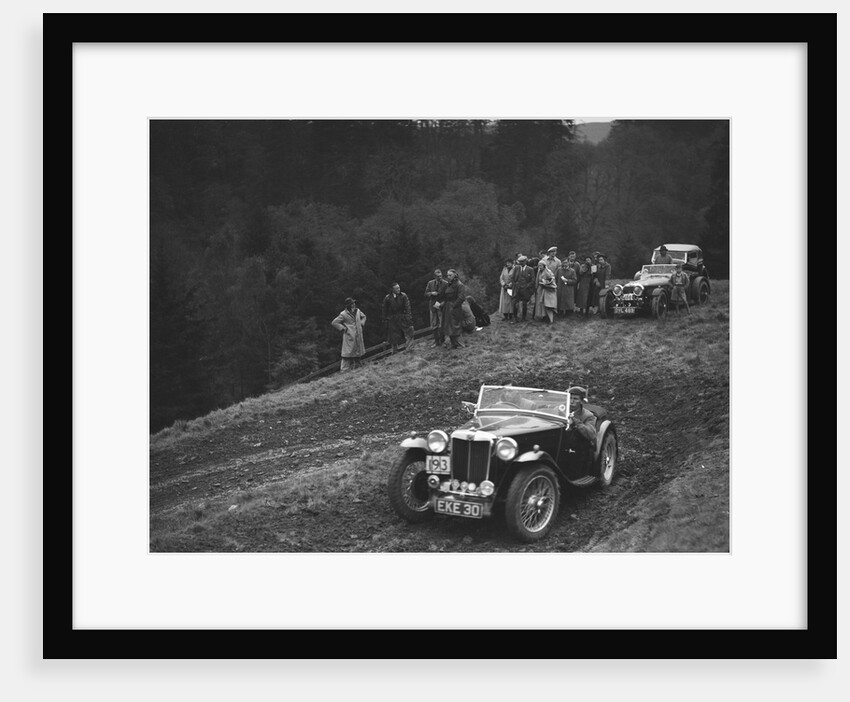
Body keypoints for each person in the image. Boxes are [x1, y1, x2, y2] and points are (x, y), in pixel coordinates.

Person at [331, 297, 367, 371]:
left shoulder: (357, 311)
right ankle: (344, 370)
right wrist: (343, 328)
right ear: (348, 305)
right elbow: (334, 322)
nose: (354, 305)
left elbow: (364, 317)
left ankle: (358, 368)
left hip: (358, 335)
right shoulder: (343, 314)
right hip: (349, 336)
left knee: (358, 352)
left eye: (354, 303)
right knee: (347, 354)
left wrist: (361, 323)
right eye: (352, 304)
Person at [439, 269, 468, 349]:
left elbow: (461, 297)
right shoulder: (449, 284)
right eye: (447, 275)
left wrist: (454, 306)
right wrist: (443, 303)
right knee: (448, 326)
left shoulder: (459, 285)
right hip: (447, 307)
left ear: (455, 275)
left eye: (450, 275)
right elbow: (445, 296)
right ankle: (453, 344)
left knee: (455, 326)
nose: (448, 277)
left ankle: (460, 344)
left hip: (455, 307)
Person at [381, 282, 414, 353]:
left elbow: (407, 307)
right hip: (393, 318)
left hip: (403, 316)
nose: (399, 289)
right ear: (392, 290)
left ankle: (409, 349)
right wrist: (386, 319)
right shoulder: (388, 298)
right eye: (396, 288)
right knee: (393, 336)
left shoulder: (403, 296)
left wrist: (408, 316)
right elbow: (384, 309)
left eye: (399, 288)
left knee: (409, 332)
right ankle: (394, 351)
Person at [566, 386, 598, 453]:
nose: (571, 401)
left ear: (581, 401)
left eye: (575, 399)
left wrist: (575, 421)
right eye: (569, 398)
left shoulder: (588, 416)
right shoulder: (560, 409)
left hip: (579, 449)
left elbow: (591, 435)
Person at [424, 268, 447, 347]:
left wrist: (443, 303)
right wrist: (431, 293)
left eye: (440, 276)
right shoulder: (430, 283)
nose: (440, 278)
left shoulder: (445, 283)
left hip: (441, 306)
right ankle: (436, 342)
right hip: (433, 306)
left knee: (441, 324)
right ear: (434, 277)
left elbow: (447, 296)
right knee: (434, 324)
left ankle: (442, 341)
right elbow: (426, 293)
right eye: (438, 276)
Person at [509, 255, 535, 322]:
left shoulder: (530, 269)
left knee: (524, 304)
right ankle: (515, 318)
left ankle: (523, 318)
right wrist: (515, 284)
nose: (521, 263)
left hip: (525, 290)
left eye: (522, 262)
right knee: (515, 303)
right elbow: (512, 278)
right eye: (520, 262)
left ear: (525, 261)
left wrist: (527, 286)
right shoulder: (516, 268)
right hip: (517, 289)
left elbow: (533, 280)